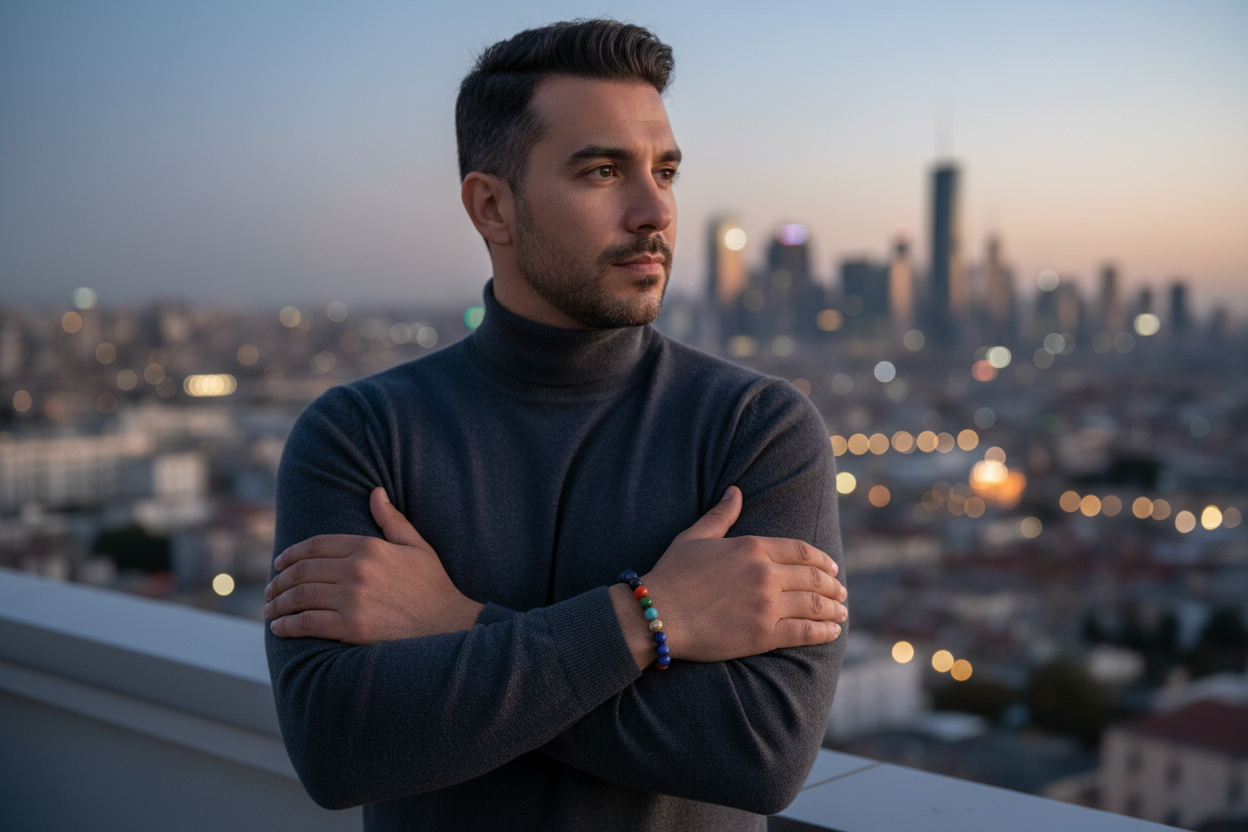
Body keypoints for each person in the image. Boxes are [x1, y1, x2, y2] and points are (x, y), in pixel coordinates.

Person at [263, 19, 848, 831]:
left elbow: (758, 753)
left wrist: (452, 623)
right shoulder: (361, 435)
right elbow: (340, 748)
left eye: (666, 171)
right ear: (492, 207)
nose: (655, 211)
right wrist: (658, 618)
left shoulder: (756, 430)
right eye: (603, 171)